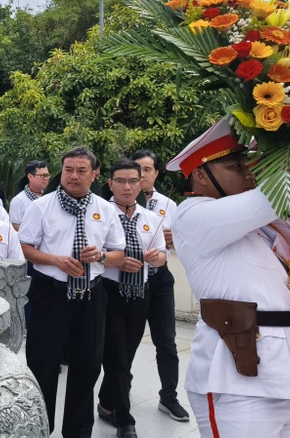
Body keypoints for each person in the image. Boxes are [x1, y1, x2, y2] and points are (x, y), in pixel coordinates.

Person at [167, 119, 290, 437]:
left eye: (250, 164)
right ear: (202, 175)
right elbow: (279, 195)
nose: (249, 174)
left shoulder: (267, 224)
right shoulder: (193, 215)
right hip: (238, 378)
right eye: (236, 166)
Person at [18, 147, 127, 438]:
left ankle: (78, 432)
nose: (73, 176)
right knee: (43, 366)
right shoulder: (42, 206)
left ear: (94, 175)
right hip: (50, 295)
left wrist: (101, 257)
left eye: (81, 170)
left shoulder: (105, 209)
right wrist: (55, 260)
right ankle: (41, 429)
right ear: (60, 172)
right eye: (68, 170)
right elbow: (25, 247)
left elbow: (119, 254)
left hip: (92, 297)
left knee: (87, 367)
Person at [95, 159, 167, 438]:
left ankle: (106, 403)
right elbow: (94, 256)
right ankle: (125, 420)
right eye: (121, 181)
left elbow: (162, 257)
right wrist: (117, 263)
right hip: (109, 292)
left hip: (140, 294)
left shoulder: (151, 218)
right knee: (115, 357)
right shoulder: (100, 214)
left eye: (133, 181)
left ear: (141, 183)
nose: (127, 187)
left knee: (126, 355)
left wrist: (155, 258)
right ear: (110, 184)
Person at [129, 148, 190, 422]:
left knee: (166, 342)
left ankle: (169, 397)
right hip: (129, 282)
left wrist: (173, 239)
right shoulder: (114, 204)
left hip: (160, 280)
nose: (142, 175)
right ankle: (118, 392)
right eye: (137, 169)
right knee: (126, 342)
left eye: (147, 169)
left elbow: (179, 243)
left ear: (155, 173)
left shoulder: (169, 205)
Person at [10, 160, 50, 230]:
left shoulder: (50, 197)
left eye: (47, 175)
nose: (46, 179)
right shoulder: (19, 200)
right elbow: (15, 227)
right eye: (43, 176)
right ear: (30, 176)